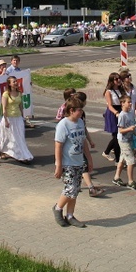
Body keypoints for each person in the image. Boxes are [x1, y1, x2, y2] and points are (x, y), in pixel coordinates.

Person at [52, 95, 92, 228]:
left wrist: (89, 159)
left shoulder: (80, 122)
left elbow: (83, 141)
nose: (81, 112)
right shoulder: (63, 125)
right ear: (71, 110)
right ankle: (58, 208)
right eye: (79, 110)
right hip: (67, 163)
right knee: (70, 189)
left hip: (79, 161)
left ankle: (70, 215)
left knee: (76, 190)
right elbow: (58, 145)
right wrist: (58, 165)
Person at [0, 75, 33, 164]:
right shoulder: (6, 94)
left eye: (16, 81)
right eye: (14, 82)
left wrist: (23, 117)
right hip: (9, 118)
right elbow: (4, 108)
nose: (16, 83)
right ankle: (2, 151)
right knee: (6, 136)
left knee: (19, 137)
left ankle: (21, 155)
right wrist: (6, 120)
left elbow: (20, 106)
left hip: (18, 117)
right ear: (9, 84)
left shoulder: (19, 93)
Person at [111, 96, 136, 190]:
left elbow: (133, 127)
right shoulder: (122, 115)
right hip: (123, 140)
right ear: (122, 103)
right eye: (128, 102)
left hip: (129, 139)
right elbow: (120, 130)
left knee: (122, 159)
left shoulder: (130, 113)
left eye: (130, 102)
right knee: (131, 161)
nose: (130, 104)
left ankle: (116, 178)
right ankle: (130, 181)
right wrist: (129, 129)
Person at [101, 73, 125, 163]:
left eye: (119, 78)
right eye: (116, 79)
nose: (118, 80)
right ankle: (118, 160)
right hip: (113, 113)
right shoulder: (109, 91)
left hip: (120, 110)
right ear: (112, 81)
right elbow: (110, 106)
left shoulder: (121, 89)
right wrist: (116, 113)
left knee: (119, 137)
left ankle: (107, 152)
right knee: (116, 137)